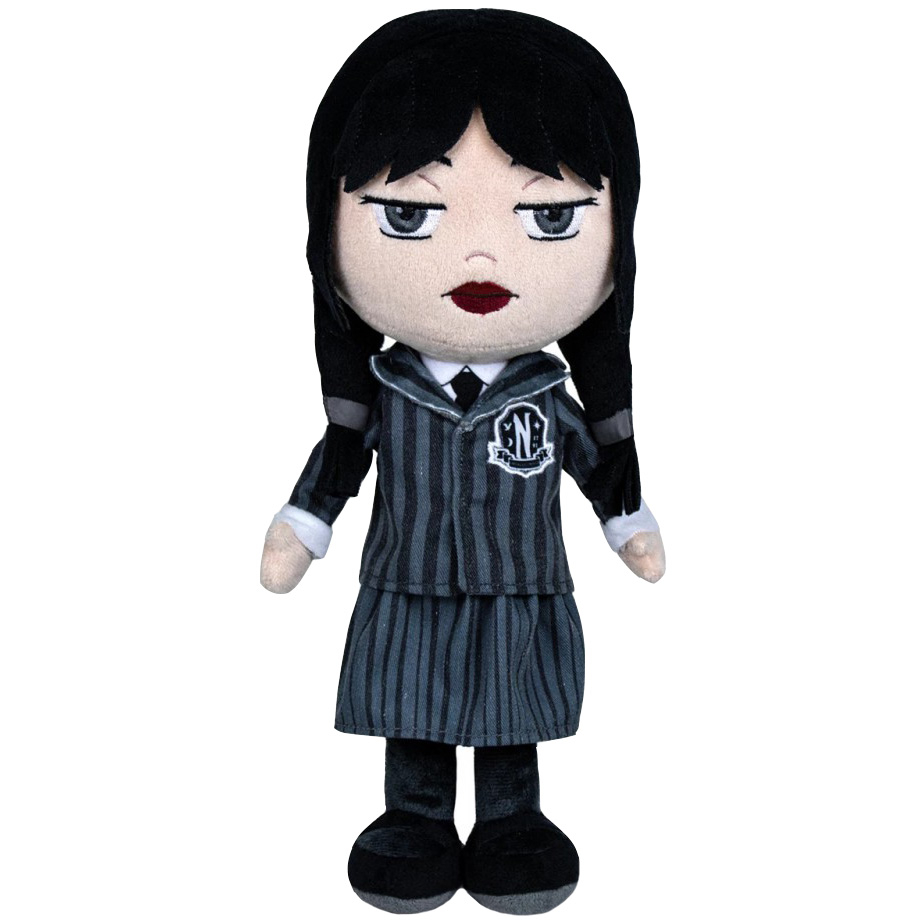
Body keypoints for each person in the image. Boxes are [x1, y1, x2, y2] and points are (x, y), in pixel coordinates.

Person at [260, 10, 665, 915]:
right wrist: (303, 523)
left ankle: (512, 820)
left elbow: (592, 467)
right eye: (409, 214)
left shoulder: (542, 395)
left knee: (510, 710)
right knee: (412, 706)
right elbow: (340, 461)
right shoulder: (389, 390)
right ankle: (415, 817)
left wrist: (627, 519)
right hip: (409, 582)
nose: (480, 256)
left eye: (548, 216)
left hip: (518, 584)